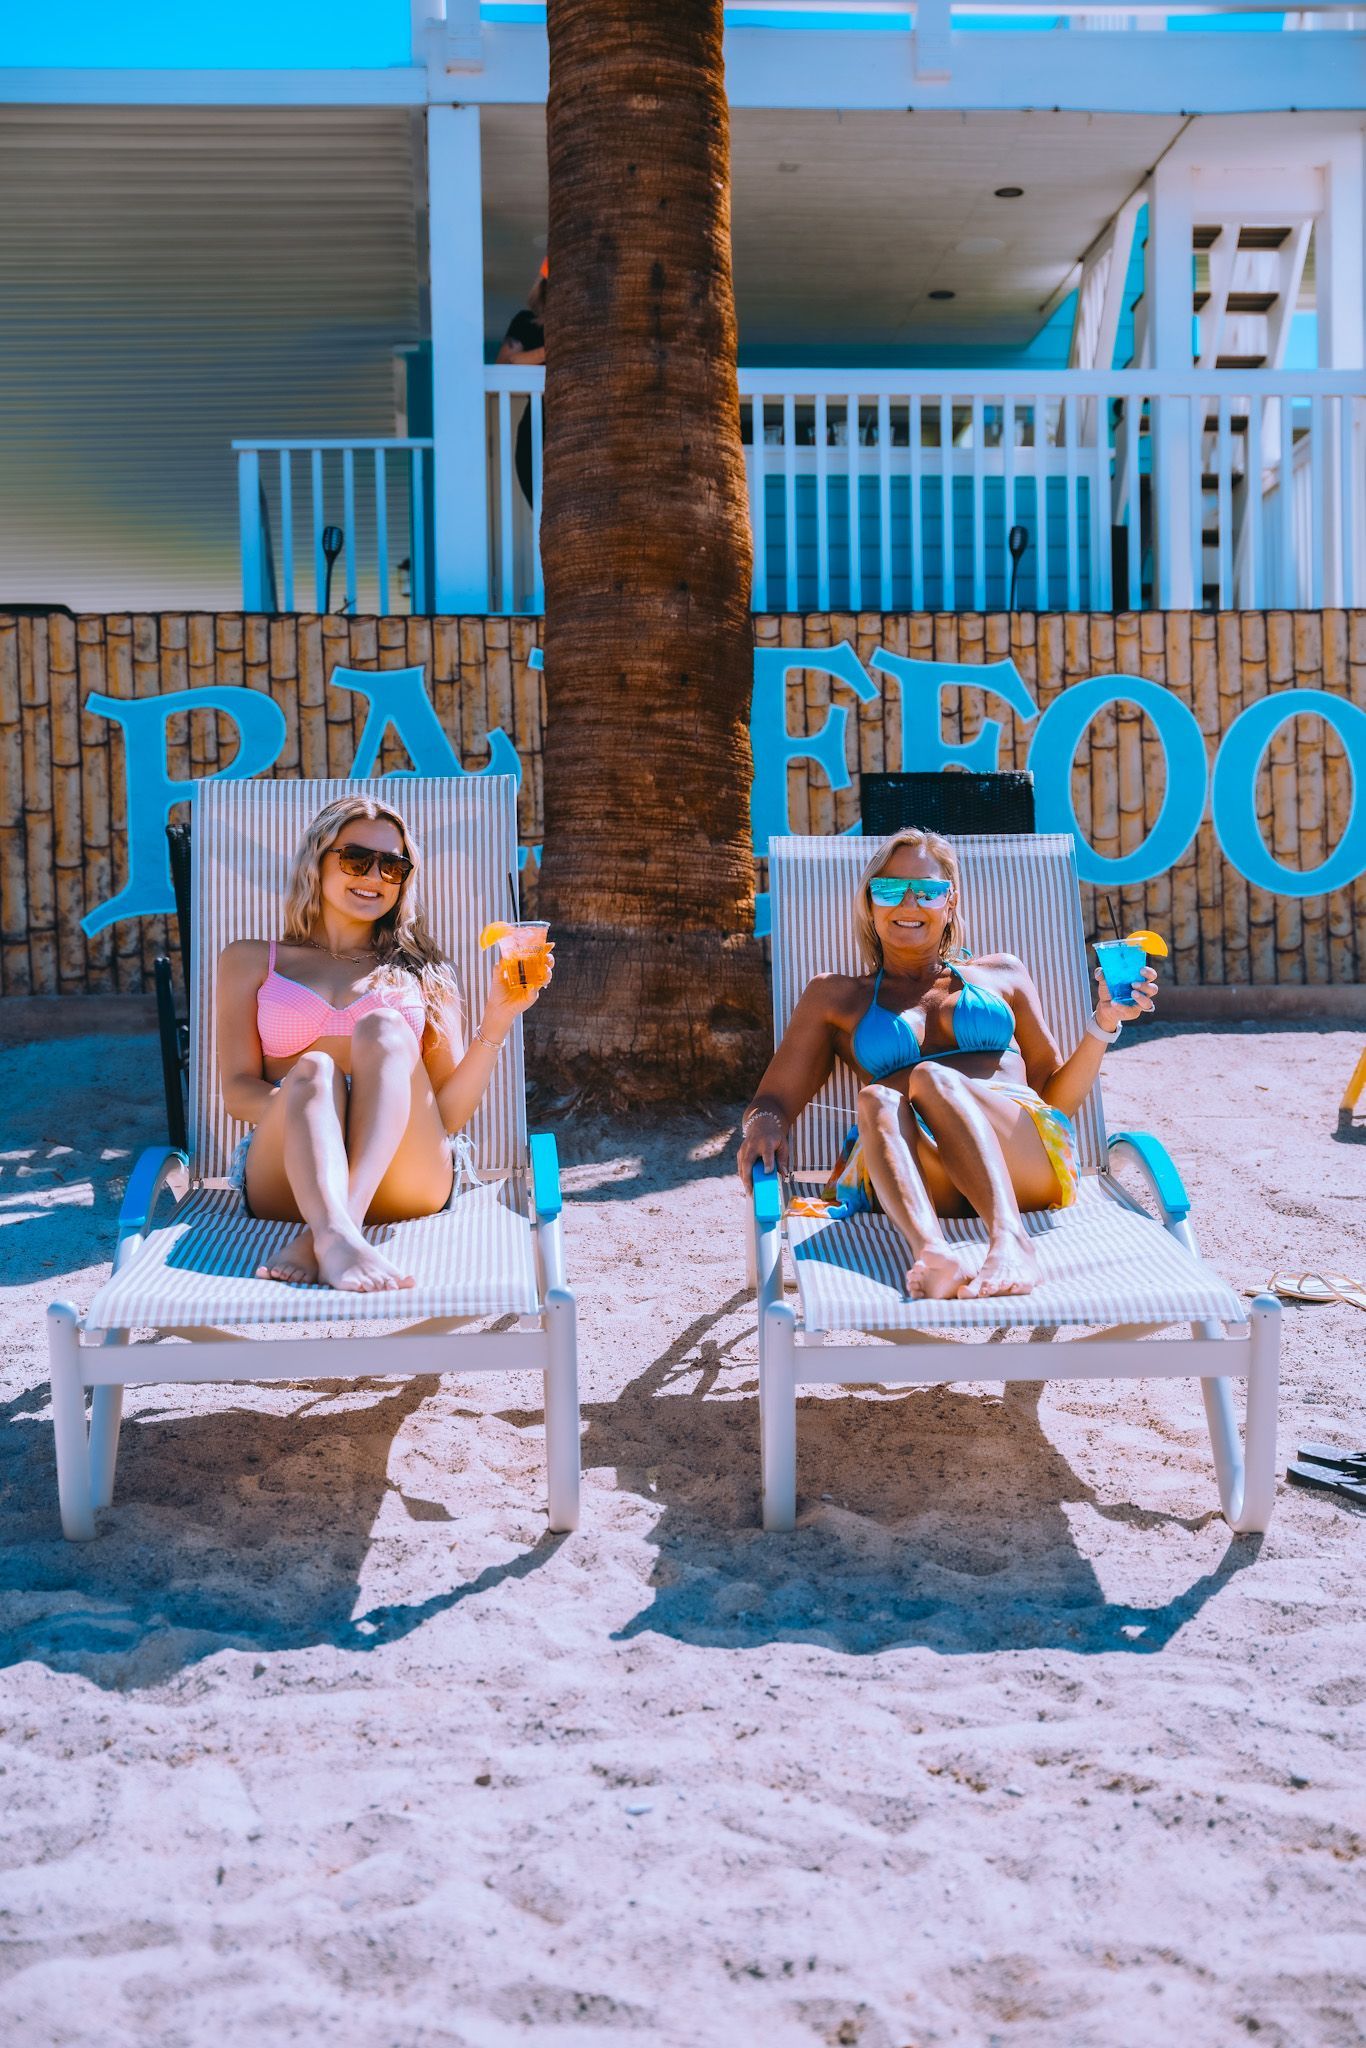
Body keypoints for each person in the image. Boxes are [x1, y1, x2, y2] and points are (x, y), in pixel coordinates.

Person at [736, 826, 1157, 1301]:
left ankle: (1011, 1240)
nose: (908, 904)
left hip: (1022, 1163)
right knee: (875, 1099)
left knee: (929, 1077)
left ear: (950, 902)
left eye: (928, 891)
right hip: (916, 1175)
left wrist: (1103, 1023)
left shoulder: (1002, 974)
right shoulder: (835, 996)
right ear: (870, 904)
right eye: (889, 890)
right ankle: (932, 1254)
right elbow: (772, 1100)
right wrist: (764, 1126)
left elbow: (1055, 1099)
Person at [215, 796, 551, 1294]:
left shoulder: (426, 971)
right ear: (317, 860)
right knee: (315, 1070)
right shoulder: (249, 960)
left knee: (384, 1029)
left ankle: (332, 1233)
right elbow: (238, 1092)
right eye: (356, 859)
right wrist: (322, 1114)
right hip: (287, 1177)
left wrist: (498, 1019)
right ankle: (337, 1234)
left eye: (392, 866)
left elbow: (448, 1115)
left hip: (407, 1178)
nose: (374, 877)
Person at [496, 261, 547, 509]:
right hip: (537, 429)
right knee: (540, 508)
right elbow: (504, 366)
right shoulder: (526, 323)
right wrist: (552, 348)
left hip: (582, 430)